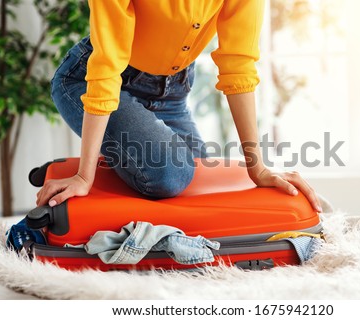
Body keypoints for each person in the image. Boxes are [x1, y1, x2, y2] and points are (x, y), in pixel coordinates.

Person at [36, 0, 322, 212]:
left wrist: (257, 167)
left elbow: (239, 66)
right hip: (90, 81)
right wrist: (85, 176)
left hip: (172, 90)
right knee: (172, 173)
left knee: (201, 180)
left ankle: (122, 155)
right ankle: (82, 167)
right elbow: (107, 68)